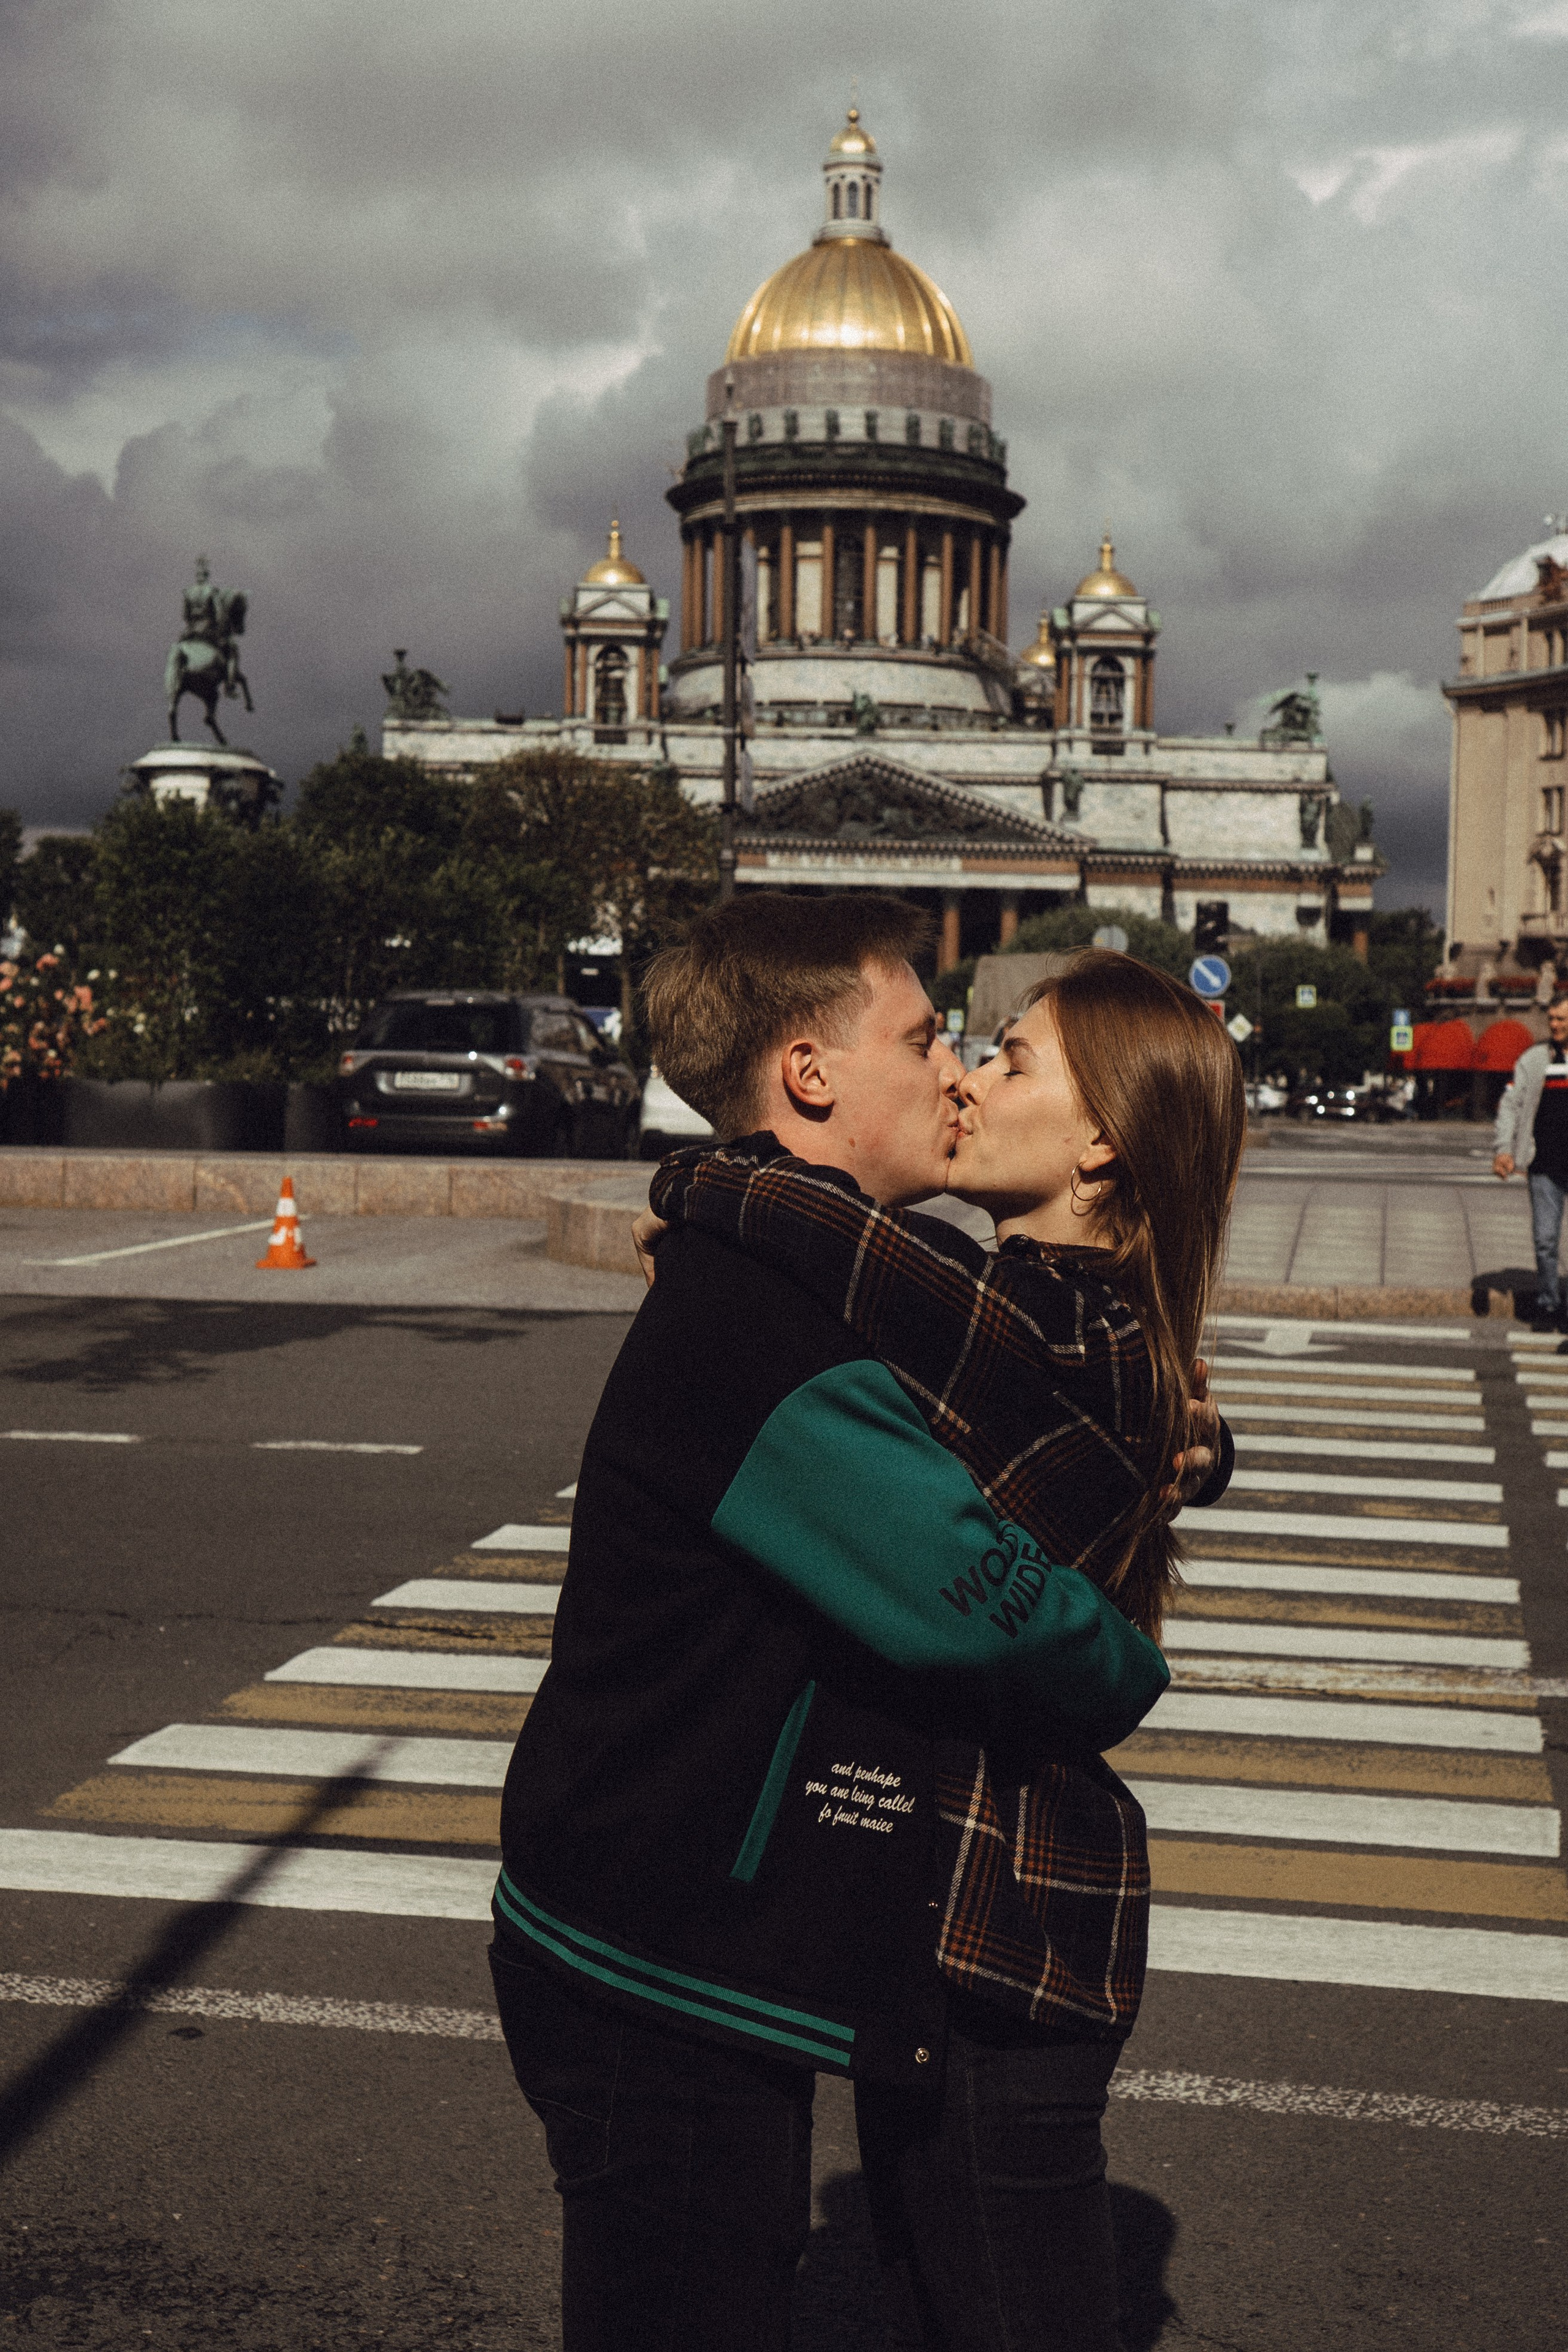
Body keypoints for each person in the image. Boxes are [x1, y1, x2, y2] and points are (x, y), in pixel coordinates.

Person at [488, 895, 1218, 2352]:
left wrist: (1182, 1441)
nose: (951, 1071)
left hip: (727, 1919)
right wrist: (1125, 1660)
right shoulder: (779, 1312)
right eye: (929, 1037)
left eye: (985, 1050)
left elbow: (1061, 1376)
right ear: (813, 1074)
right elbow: (974, 1589)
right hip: (657, 1935)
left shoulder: (853, 1278)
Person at [1493, 993, 1568, 1331]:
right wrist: (1504, 1150)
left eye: (1562, 1019)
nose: (1555, 1025)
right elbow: (1511, 1105)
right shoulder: (1535, 1059)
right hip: (1544, 1166)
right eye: (1552, 1019)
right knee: (1545, 1239)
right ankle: (1549, 1304)